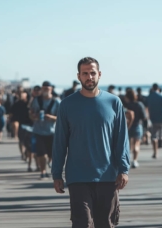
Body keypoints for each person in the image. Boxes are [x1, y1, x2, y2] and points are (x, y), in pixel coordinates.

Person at [52, 57, 129, 228]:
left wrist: (124, 169)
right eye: (85, 73)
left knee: (106, 224)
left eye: (92, 73)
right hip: (78, 176)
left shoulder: (114, 102)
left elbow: (121, 139)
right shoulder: (66, 105)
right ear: (78, 76)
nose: (89, 77)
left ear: (99, 74)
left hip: (108, 176)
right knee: (82, 224)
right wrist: (56, 173)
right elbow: (60, 141)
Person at [30, 81, 60, 180]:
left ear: (51, 89)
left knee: (51, 154)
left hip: (52, 131)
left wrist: (51, 117)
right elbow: (31, 113)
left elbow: (62, 118)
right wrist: (34, 116)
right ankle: (43, 171)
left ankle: (49, 165)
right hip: (38, 131)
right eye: (44, 89)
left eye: (47, 89)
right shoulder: (36, 100)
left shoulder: (56, 101)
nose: (45, 90)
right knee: (41, 153)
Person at [125, 88, 147, 168]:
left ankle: (127, 159)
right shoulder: (139, 104)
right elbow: (144, 117)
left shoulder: (127, 106)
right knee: (136, 144)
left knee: (128, 144)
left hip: (127, 126)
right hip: (137, 125)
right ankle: (135, 161)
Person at [146, 83, 162, 158]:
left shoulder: (149, 97)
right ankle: (160, 141)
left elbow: (147, 108)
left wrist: (147, 118)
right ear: (158, 88)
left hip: (153, 118)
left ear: (152, 88)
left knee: (154, 136)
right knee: (160, 134)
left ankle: (155, 152)